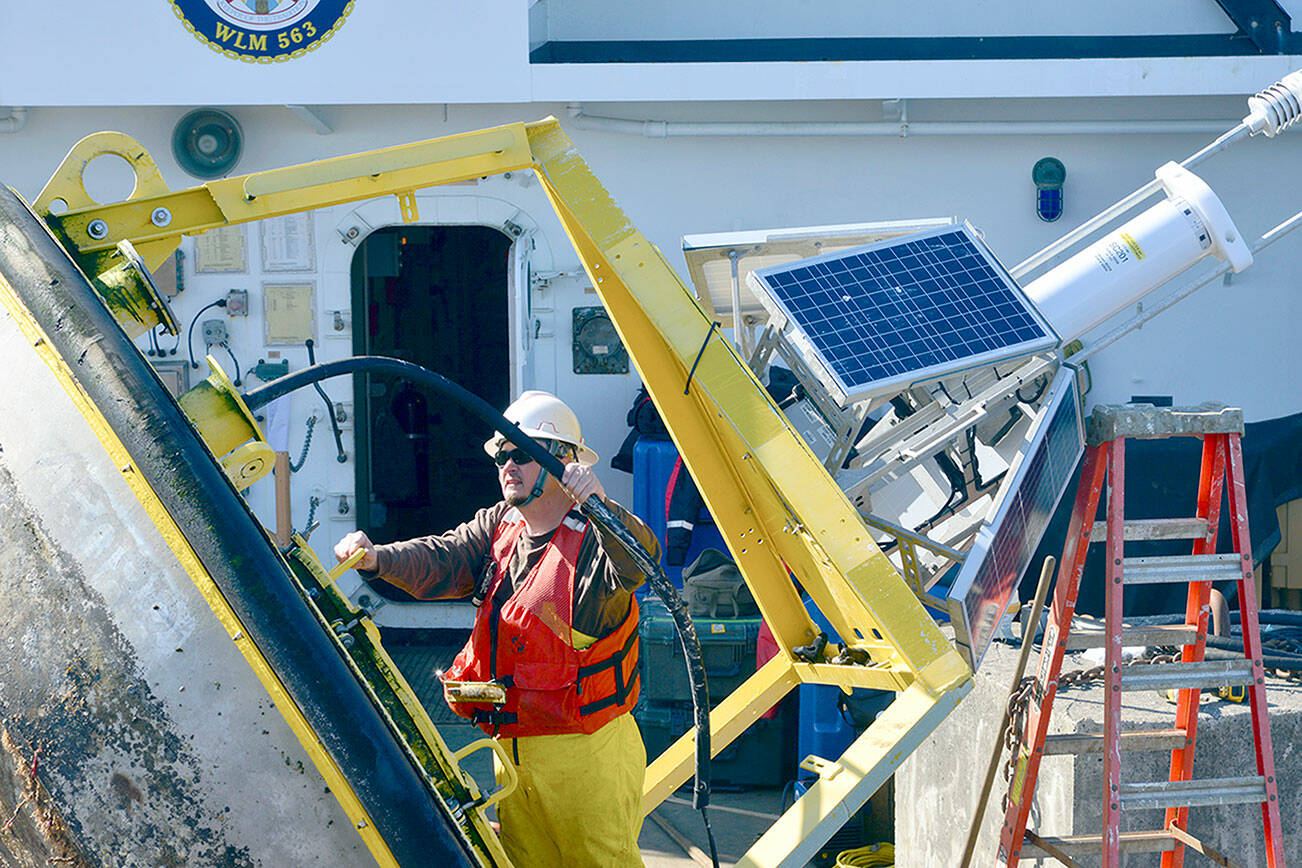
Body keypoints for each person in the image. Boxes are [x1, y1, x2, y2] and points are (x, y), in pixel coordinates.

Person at [334, 390, 657, 867]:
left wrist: (600, 504)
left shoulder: (594, 543)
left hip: (586, 755)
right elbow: (442, 557)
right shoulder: (498, 526)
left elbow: (639, 564)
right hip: (509, 751)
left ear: (564, 460)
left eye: (522, 454)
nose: (508, 464)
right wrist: (378, 558)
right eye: (502, 455)